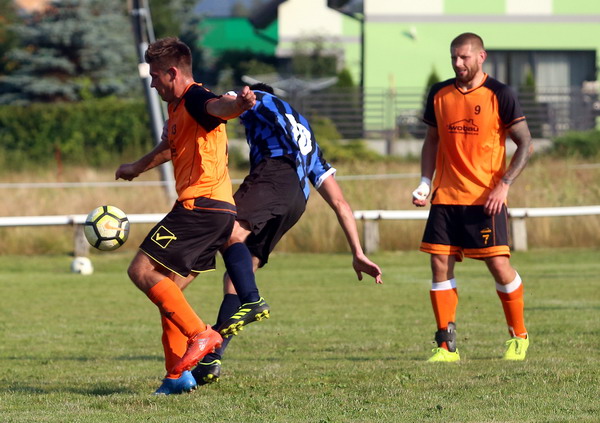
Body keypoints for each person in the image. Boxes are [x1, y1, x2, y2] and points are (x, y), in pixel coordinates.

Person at [191, 83, 383, 386]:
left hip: (274, 176)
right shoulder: (309, 140)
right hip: (296, 201)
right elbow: (341, 204)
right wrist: (358, 252)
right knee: (237, 274)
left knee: (227, 230)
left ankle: (251, 300)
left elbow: (231, 100)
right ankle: (213, 357)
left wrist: (220, 104)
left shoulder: (263, 99)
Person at [115, 37, 257, 394]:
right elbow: (171, 148)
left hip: (201, 207)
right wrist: (135, 168)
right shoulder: (178, 108)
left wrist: (239, 104)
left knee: (141, 271)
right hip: (218, 212)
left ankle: (201, 334)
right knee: (169, 294)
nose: (153, 84)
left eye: (155, 76)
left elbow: (218, 107)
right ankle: (177, 376)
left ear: (173, 72)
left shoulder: (194, 97)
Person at [412, 32, 533, 362]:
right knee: (439, 264)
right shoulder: (439, 93)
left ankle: (519, 336)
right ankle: (445, 346)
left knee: (498, 265)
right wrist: (425, 182)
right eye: (454, 56)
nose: (458, 63)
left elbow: (526, 143)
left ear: (481, 57)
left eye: (464, 57)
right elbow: (431, 140)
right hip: (446, 196)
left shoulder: (500, 94)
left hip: (485, 199)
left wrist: (504, 184)